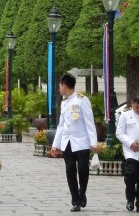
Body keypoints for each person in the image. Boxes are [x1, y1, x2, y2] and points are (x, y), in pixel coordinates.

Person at [50, 72, 98, 212]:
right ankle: (75, 200)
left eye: (59, 86)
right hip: (68, 142)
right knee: (70, 170)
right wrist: (55, 145)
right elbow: (61, 125)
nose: (59, 89)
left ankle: (82, 192)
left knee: (83, 170)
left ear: (64, 86)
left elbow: (90, 122)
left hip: (82, 142)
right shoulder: (64, 103)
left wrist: (93, 142)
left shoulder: (82, 100)